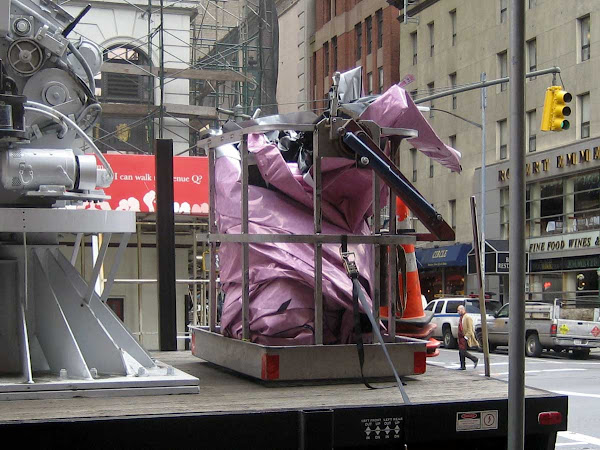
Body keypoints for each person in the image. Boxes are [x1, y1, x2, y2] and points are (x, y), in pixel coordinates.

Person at [457, 305, 478, 370]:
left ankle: (475, 359)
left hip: (465, 337)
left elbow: (470, 329)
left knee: (463, 351)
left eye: (458, 310)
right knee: (461, 352)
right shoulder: (461, 317)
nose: (458, 312)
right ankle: (462, 366)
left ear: (462, 310)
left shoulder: (467, 317)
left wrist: (466, 337)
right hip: (460, 337)